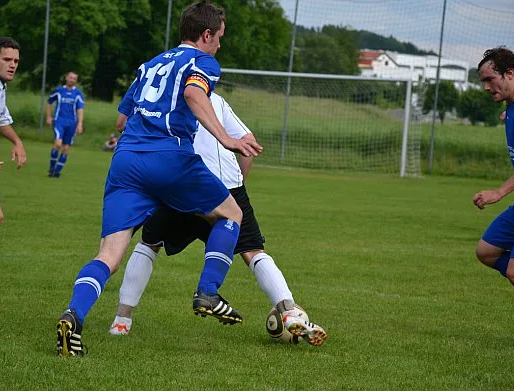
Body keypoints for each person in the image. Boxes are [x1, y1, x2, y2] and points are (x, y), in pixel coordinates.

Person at [56, 2, 263, 357]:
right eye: (219, 38)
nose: (220, 46)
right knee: (232, 215)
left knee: (108, 254)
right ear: (207, 34)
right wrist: (225, 139)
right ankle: (208, 291)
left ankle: (73, 315)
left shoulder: (150, 64)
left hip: (125, 162)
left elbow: (121, 122)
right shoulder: (203, 61)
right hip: (168, 157)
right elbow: (194, 94)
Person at [108, 92, 328, 346]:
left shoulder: (159, 95)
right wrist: (239, 183)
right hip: (224, 185)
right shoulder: (215, 99)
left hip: (178, 180)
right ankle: (289, 311)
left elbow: (122, 124)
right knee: (252, 251)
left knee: (149, 244)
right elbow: (249, 143)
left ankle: (122, 320)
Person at [473, 46, 514, 317]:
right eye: (483, 81)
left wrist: (499, 193)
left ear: (510, 74)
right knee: (486, 251)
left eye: (490, 79)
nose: (486, 87)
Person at [0, 37, 27, 287]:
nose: (12, 65)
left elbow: (0, 119)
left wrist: (17, 142)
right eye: (7, 60)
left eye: (16, 61)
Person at [46, 71, 84, 178]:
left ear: (76, 81)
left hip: (72, 123)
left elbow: (80, 109)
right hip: (59, 121)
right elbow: (49, 102)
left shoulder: (78, 93)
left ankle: (56, 172)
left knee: (66, 149)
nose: (72, 80)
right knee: (58, 144)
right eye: (70, 77)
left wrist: (80, 124)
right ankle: (51, 168)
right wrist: (49, 117)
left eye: (74, 78)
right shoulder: (59, 90)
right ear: (66, 78)